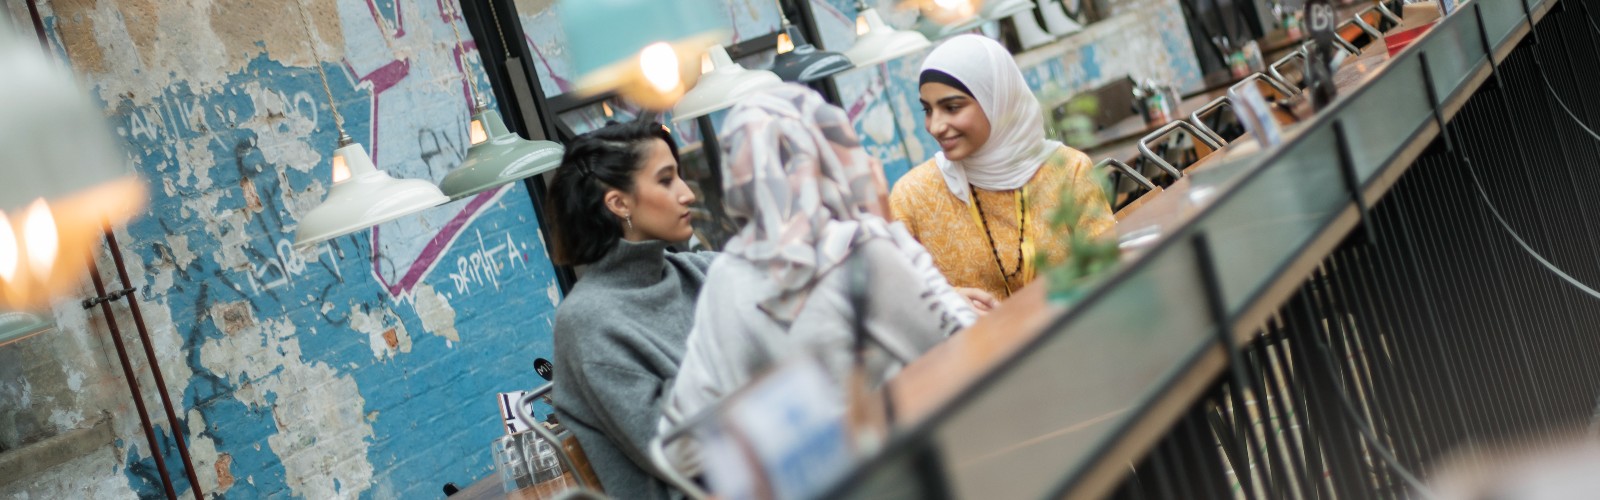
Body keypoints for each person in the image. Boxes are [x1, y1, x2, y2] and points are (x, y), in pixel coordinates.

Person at [659, 84, 978, 433]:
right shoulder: (856, 249)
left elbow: (682, 440)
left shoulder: (726, 276)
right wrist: (888, 230)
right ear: (826, 156)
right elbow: (967, 342)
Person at [546, 120, 712, 500]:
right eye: (667, 180)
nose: (686, 194)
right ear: (619, 203)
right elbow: (681, 454)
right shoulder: (588, 321)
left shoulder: (700, 272)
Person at [890, 34, 1116, 300]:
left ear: (997, 100)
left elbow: (1108, 270)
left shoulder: (1067, 170)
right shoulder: (912, 197)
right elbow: (894, 298)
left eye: (951, 107)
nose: (935, 126)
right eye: (927, 110)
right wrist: (948, 299)